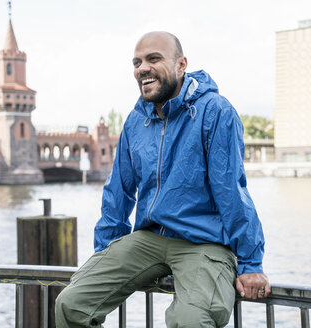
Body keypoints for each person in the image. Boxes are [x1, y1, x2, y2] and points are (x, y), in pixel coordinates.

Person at [55, 31, 270, 328]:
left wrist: (250, 264)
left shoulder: (215, 111)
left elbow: (231, 191)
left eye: (154, 58)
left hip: (204, 240)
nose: (142, 68)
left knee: (190, 320)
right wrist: (105, 251)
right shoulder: (135, 120)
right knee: (71, 303)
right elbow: (118, 190)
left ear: (181, 64)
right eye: (137, 62)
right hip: (150, 237)